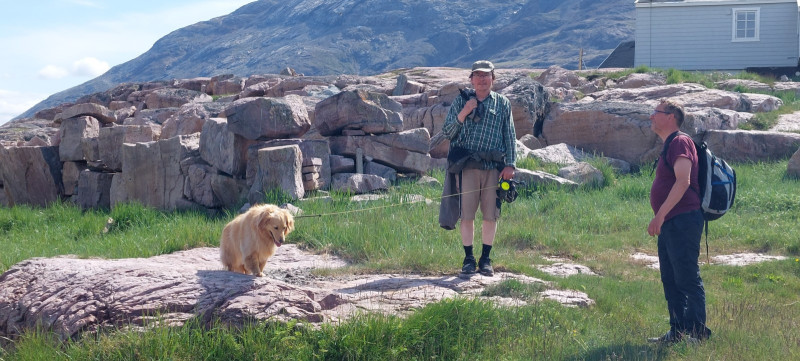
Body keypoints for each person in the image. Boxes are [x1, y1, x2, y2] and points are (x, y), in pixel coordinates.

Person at [441, 60, 516, 277]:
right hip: (468, 167)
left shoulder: (503, 103)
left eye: (486, 75)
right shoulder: (460, 101)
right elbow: (448, 132)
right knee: (466, 215)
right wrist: (464, 112)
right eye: (478, 75)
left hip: (494, 167)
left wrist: (510, 164)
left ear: (493, 78)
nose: (482, 79)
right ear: (471, 79)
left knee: (490, 215)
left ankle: (486, 258)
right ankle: (468, 258)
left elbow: (509, 135)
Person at [647, 99, 712, 343]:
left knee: (686, 277)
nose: (652, 116)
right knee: (670, 278)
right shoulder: (669, 145)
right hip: (671, 223)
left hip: (683, 220)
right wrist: (662, 218)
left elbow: (683, 181)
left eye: (656, 112)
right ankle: (677, 332)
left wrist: (660, 215)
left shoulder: (680, 142)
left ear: (671, 116)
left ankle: (697, 333)